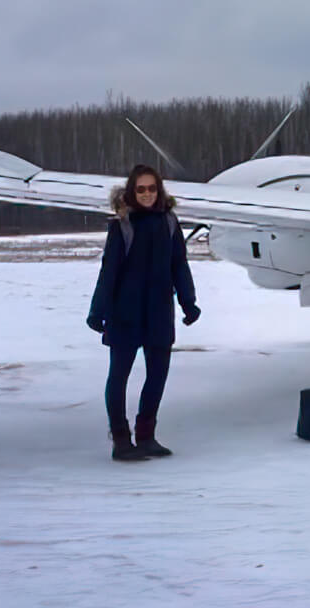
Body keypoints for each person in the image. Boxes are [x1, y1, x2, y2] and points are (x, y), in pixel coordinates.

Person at [87, 164, 201, 461]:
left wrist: (188, 302)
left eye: (152, 188)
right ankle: (121, 440)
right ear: (131, 192)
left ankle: (147, 436)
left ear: (159, 190)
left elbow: (179, 266)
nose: (147, 194)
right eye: (141, 189)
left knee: (157, 375)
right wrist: (97, 310)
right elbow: (108, 271)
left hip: (159, 312)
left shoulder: (169, 222)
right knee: (119, 376)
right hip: (125, 312)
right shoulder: (122, 225)